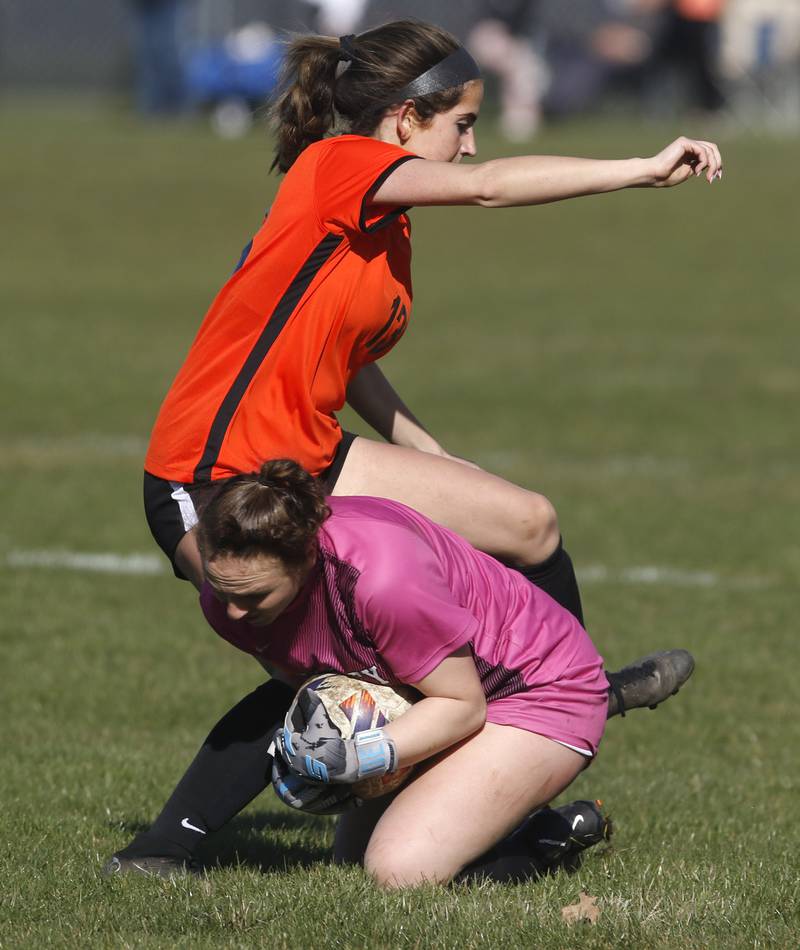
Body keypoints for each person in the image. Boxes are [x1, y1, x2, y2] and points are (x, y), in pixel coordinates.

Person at [143, 17, 720, 644]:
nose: (470, 146)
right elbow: (488, 187)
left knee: (527, 524)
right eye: (463, 125)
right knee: (349, 658)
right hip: (209, 475)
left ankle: (574, 693)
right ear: (407, 116)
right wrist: (639, 169)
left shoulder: (387, 220)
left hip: (303, 456)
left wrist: (435, 458)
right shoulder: (338, 165)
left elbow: (348, 362)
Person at [106, 461, 692, 880]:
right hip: (429, 688)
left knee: (398, 870)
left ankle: (548, 835)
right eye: (221, 587)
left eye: (252, 596)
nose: (233, 612)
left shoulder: (383, 581)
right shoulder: (229, 596)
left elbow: (464, 706)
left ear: (306, 559)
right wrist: (317, 747)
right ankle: (165, 848)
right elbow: (299, 687)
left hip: (539, 689)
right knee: (349, 869)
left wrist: (358, 757)